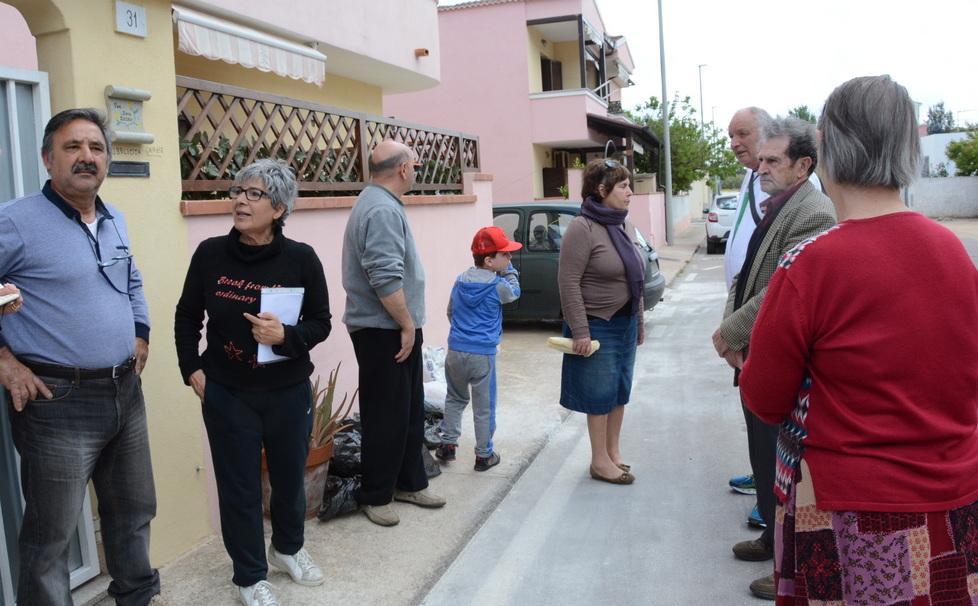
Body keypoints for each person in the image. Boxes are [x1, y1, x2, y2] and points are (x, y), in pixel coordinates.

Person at [741, 75, 978, 606]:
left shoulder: (812, 263)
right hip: (956, 508)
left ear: (827, 149)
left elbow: (763, 397)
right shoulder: (956, 254)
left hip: (852, 512)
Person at [0, 108, 162, 605]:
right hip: (58, 402)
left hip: (124, 392)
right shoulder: (16, 221)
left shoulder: (115, 219)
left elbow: (130, 279)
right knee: (50, 540)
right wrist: (5, 362)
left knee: (134, 513)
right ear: (48, 159)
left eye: (95, 147)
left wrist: (139, 331)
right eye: (72, 147)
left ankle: (137, 597)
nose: (86, 157)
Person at [174, 159, 332, 606]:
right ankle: (248, 575)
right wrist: (192, 368)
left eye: (254, 194)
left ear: (279, 208)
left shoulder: (300, 259)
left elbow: (321, 323)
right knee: (239, 486)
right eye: (237, 191)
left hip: (287, 392)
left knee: (288, 480)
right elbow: (188, 316)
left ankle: (288, 549)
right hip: (228, 394)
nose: (241, 200)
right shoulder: (210, 254)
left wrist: (287, 337)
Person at [712, 117, 836, 600]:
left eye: (772, 161)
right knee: (763, 456)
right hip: (753, 353)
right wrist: (731, 327)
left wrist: (731, 330)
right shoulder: (778, 203)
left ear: (803, 165)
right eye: (760, 160)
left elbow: (778, 291)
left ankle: (790, 562)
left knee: (783, 463)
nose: (760, 168)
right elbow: (745, 275)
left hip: (773, 356)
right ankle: (771, 538)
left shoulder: (814, 212)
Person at [341, 140, 445, 527]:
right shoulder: (381, 209)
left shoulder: (379, 203)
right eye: (415, 164)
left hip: (394, 326)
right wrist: (405, 324)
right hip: (383, 329)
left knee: (407, 411)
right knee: (386, 414)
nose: (417, 170)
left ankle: (408, 482)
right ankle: (377, 494)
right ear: (403, 169)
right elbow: (383, 275)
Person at [557, 158, 645, 485]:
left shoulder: (623, 225)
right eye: (622, 186)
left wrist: (638, 323)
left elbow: (634, 278)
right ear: (601, 189)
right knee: (599, 394)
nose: (630, 192)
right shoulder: (583, 227)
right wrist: (579, 330)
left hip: (624, 323)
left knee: (620, 390)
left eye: (629, 185)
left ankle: (613, 453)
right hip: (597, 324)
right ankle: (598, 461)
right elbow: (568, 282)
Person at [435, 226, 521, 470]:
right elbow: (514, 292)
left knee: (455, 397)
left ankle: (448, 445)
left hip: (455, 351)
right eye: (505, 255)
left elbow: (450, 311)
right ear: (489, 260)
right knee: (484, 407)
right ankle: (484, 455)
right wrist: (510, 272)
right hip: (482, 355)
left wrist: (463, 334)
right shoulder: (498, 285)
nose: (509, 258)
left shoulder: (460, 281)